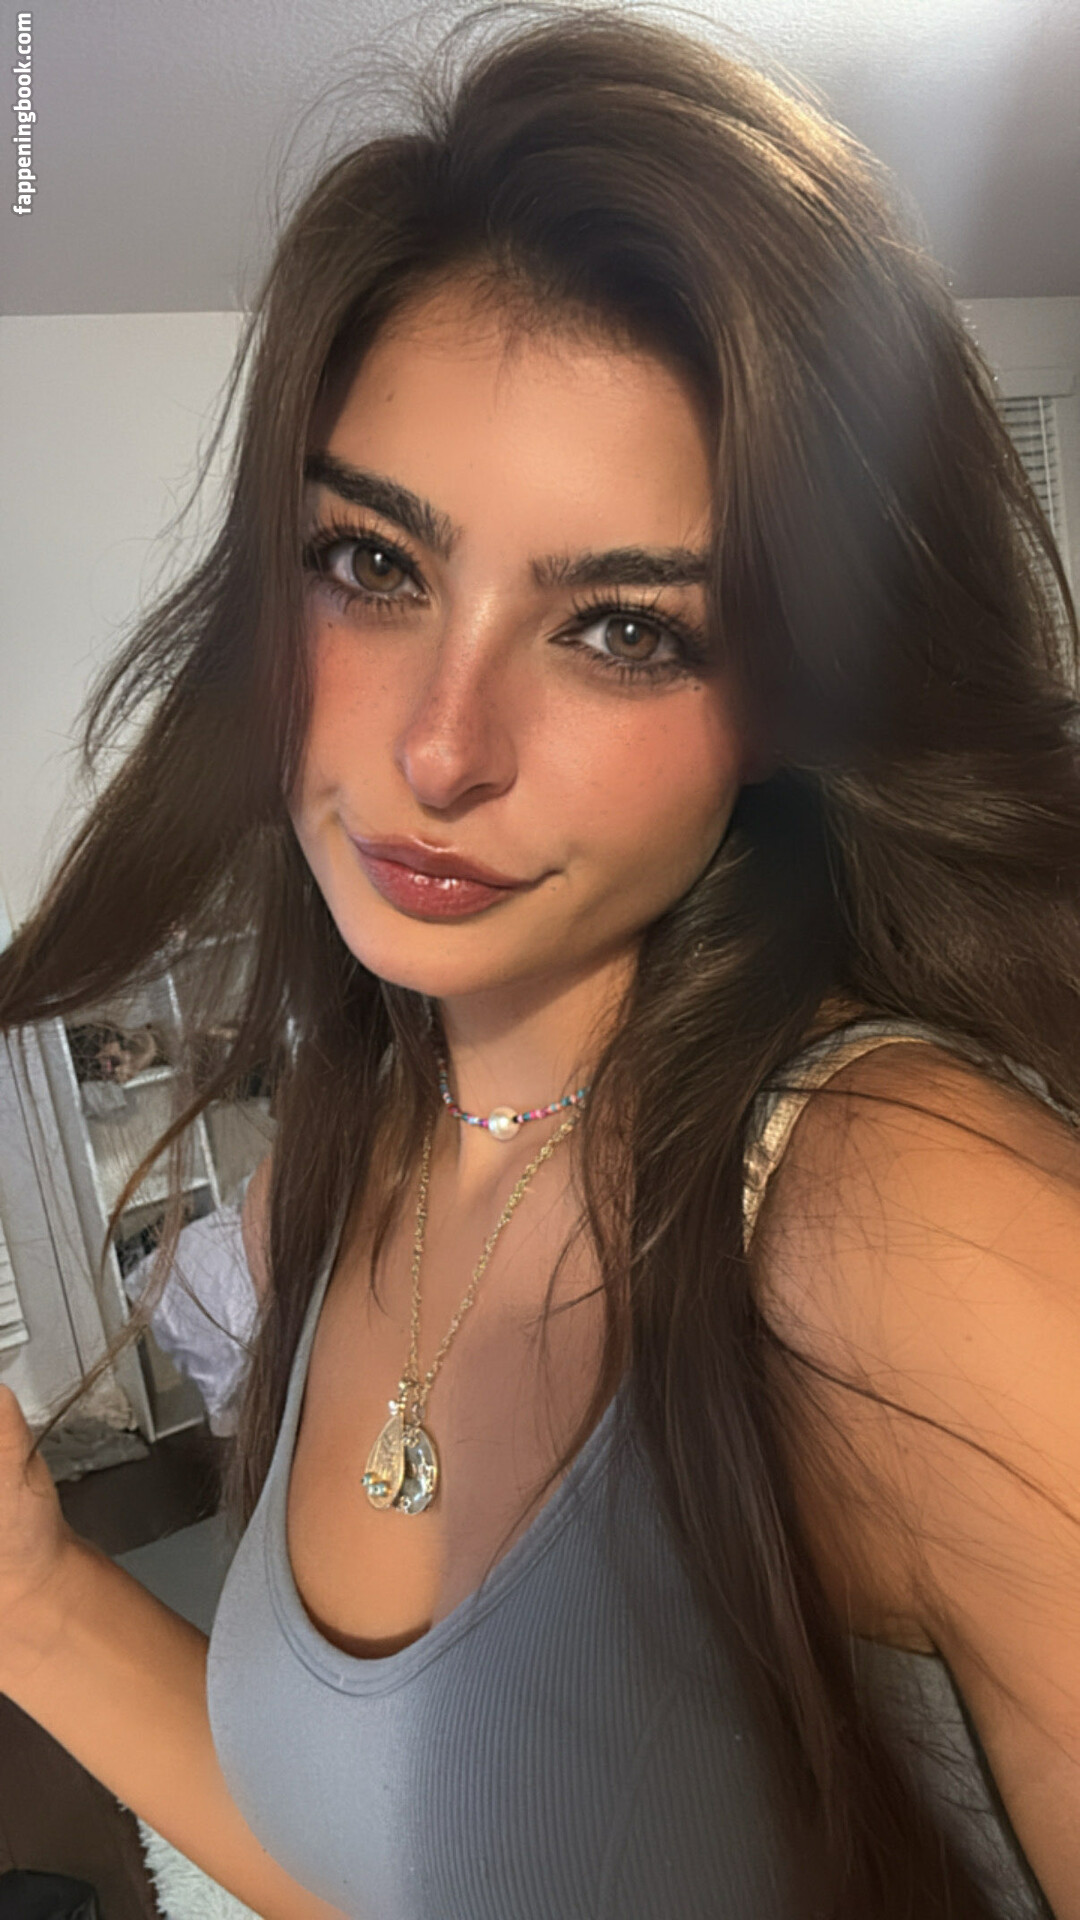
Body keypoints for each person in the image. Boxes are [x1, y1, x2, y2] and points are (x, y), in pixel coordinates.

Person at [1, 5, 1078, 1915]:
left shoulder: (906, 1231)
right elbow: (395, 1874)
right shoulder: (345, 1156)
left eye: (623, 629)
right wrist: (38, 1602)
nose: (441, 748)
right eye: (376, 564)